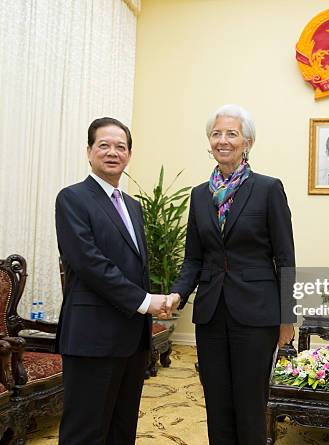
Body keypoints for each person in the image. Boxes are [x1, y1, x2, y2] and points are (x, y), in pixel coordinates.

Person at [165, 104, 296, 445]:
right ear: (209, 142)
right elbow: (193, 257)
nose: (223, 140)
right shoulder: (199, 195)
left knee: (250, 404)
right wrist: (178, 294)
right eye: (216, 134)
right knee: (217, 401)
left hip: (256, 313)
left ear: (247, 142)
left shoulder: (268, 189)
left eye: (231, 134)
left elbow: (285, 258)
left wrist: (287, 317)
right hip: (210, 312)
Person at [55, 117, 168, 445]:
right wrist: (146, 302)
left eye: (121, 146)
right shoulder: (72, 199)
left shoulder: (132, 206)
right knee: (85, 432)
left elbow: (136, 267)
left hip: (131, 338)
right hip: (92, 337)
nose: (112, 152)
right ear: (89, 152)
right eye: (103, 145)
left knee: (122, 430)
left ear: (129, 155)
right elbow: (90, 264)